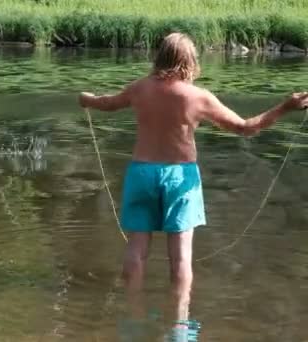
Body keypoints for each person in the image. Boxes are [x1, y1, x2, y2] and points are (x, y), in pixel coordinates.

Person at [78, 32, 308, 336]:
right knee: (181, 256)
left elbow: (107, 104)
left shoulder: (140, 89)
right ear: (190, 61)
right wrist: (285, 107)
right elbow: (244, 127)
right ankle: (179, 327)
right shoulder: (197, 97)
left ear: (159, 57)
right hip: (180, 177)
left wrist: (88, 100)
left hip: (141, 173)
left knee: (136, 249)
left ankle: (132, 320)